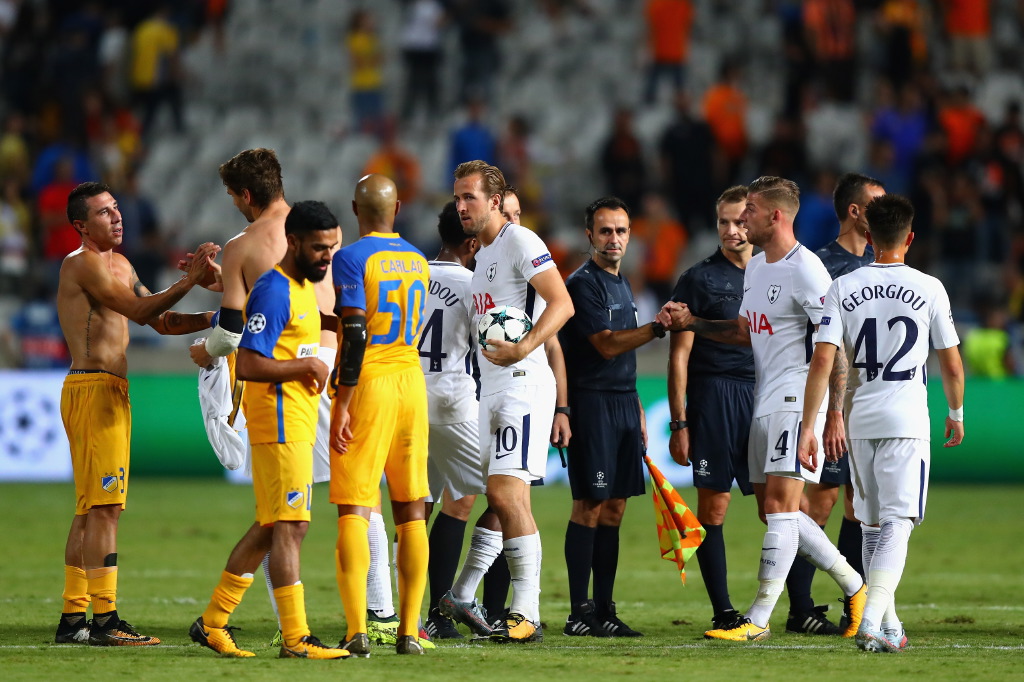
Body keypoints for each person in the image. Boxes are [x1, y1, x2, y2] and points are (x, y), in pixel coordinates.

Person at [663, 176, 866, 642]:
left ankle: (756, 618)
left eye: (750, 210)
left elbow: (831, 349)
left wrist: (824, 418)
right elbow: (743, 331)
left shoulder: (807, 270)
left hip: (796, 399)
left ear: (775, 215)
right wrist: (693, 321)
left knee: (777, 508)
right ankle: (855, 585)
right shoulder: (757, 269)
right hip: (765, 398)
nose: (742, 219)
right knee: (773, 511)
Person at [185, 148, 353, 647]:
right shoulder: (291, 274)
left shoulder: (266, 259)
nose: (328, 255)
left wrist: (208, 341)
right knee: (301, 519)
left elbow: (233, 333)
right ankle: (299, 635)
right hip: (291, 396)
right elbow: (260, 346)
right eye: (322, 248)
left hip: (302, 392)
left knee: (279, 520)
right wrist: (317, 362)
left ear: (245, 195)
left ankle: (213, 622)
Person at [796, 193, 964, 653]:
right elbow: (950, 364)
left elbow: (822, 362)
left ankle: (888, 625)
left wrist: (810, 426)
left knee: (871, 527)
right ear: (910, 237)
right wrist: (956, 412)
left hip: (859, 419)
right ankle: (871, 619)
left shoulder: (842, 287)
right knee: (899, 521)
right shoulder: (929, 287)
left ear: (869, 236)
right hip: (907, 418)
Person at [55, 181, 218, 646]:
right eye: (105, 213)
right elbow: (139, 309)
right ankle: (104, 622)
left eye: (117, 208)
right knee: (103, 508)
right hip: (92, 389)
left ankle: (73, 619)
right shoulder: (81, 265)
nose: (117, 217)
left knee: (92, 509)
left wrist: (214, 318)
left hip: (111, 391)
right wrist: (188, 281)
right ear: (82, 226)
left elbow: (160, 321)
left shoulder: (121, 265)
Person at [441, 160, 573, 643]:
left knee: (505, 494)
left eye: (469, 197)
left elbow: (562, 303)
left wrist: (523, 346)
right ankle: (468, 593)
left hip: (522, 380)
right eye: (457, 198)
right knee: (501, 496)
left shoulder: (521, 240)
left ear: (495, 201)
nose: (461, 206)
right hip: (490, 387)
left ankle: (527, 613)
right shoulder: (484, 255)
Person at [330, 174, 432, 656]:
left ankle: (357, 631)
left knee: (354, 505)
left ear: (355, 208)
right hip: (412, 381)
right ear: (398, 208)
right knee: (411, 508)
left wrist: (343, 403)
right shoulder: (417, 259)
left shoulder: (350, 257)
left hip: (369, 382)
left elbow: (355, 333)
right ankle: (409, 631)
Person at [560, 196, 666, 638]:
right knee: (589, 505)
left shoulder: (622, 283)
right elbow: (605, 344)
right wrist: (657, 328)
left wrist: (638, 403)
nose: (614, 239)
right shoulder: (583, 284)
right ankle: (578, 612)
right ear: (590, 235)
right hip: (592, 404)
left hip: (623, 401)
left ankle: (604, 609)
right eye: (605, 231)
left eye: (621, 231)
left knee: (616, 507)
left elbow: (620, 354)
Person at [785, 172, 886, 635]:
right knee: (819, 505)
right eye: (877, 205)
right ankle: (800, 608)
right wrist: (830, 410)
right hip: (834, 404)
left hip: (872, 401)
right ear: (854, 211)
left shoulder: (886, 264)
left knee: (860, 506)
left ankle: (856, 606)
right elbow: (821, 346)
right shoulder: (823, 265)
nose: (885, 213)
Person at [667, 185, 754, 633]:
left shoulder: (776, 273)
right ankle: (724, 611)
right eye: (724, 221)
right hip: (714, 397)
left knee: (780, 506)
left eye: (741, 221)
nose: (732, 230)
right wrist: (679, 422)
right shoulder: (699, 279)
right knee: (714, 509)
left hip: (767, 395)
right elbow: (679, 354)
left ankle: (799, 607)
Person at [420, 201, 483, 640]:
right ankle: (456, 597)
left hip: (405, 399)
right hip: (452, 403)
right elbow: (493, 349)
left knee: (413, 508)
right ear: (473, 242)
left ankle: (386, 608)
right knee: (505, 492)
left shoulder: (412, 274)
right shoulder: (474, 284)